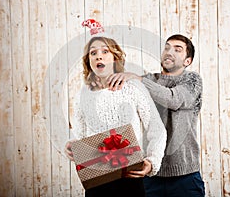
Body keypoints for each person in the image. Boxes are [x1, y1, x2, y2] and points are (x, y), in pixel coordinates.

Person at [64, 36, 167, 197]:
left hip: (130, 177)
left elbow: (157, 129)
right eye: (93, 53)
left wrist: (152, 162)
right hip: (97, 181)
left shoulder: (133, 88)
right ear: (88, 61)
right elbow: (80, 136)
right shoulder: (82, 95)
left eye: (105, 51)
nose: (99, 56)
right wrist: (71, 147)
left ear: (115, 58)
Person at [105, 34, 205, 197]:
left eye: (177, 50)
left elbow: (174, 99)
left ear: (188, 61)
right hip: (148, 173)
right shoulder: (147, 80)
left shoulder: (192, 80)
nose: (169, 51)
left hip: (185, 178)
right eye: (166, 47)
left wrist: (138, 80)